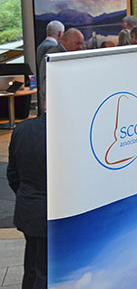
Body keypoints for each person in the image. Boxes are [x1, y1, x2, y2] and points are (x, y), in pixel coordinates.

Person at [7, 113, 48, 288]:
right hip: (53, 216)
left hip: (28, 209)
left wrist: (27, 197)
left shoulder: (22, 129)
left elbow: (12, 174)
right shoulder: (68, 133)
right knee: (45, 271)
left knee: (31, 264)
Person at [39, 28, 84, 109]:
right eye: (77, 43)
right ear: (65, 41)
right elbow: (46, 86)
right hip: (55, 108)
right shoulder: (55, 57)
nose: (80, 47)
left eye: (81, 44)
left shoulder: (66, 55)